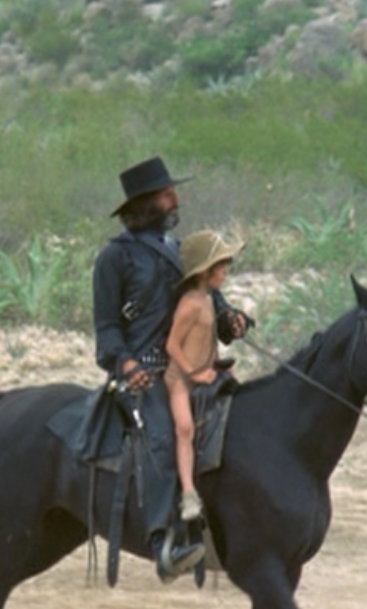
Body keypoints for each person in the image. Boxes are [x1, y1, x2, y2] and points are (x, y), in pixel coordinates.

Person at [92, 156, 250, 583]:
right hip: (146, 372)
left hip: (198, 367)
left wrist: (230, 319)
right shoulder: (114, 257)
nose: (175, 199)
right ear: (145, 203)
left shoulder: (179, 250)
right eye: (166, 194)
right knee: (162, 439)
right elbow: (106, 328)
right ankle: (165, 542)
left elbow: (209, 301)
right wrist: (126, 364)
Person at [165, 230, 243, 522]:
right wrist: (192, 373)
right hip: (180, 378)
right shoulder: (190, 304)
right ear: (204, 271)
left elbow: (206, 340)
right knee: (185, 428)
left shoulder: (208, 299)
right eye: (220, 267)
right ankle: (188, 493)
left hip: (206, 370)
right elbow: (172, 345)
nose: (224, 272)